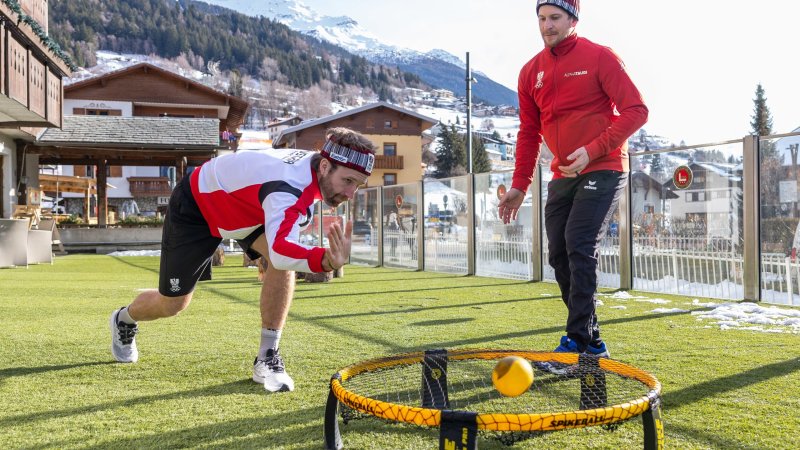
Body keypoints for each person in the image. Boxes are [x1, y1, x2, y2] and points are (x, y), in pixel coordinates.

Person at [109, 127, 376, 392]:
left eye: (358, 184)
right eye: (348, 181)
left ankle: (267, 357)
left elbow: (282, 252)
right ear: (326, 166)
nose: (351, 193)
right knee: (173, 305)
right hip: (199, 207)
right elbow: (284, 251)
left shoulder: (313, 171)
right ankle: (124, 318)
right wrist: (325, 261)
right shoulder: (288, 188)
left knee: (279, 259)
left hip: (247, 211)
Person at [498, 0, 648, 371]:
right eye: (542, 18)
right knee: (559, 254)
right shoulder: (530, 71)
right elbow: (529, 132)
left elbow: (636, 109)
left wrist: (595, 148)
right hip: (563, 174)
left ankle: (577, 341)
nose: (547, 26)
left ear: (573, 19)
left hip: (605, 167)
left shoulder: (599, 57)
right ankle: (592, 341)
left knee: (580, 244)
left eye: (555, 18)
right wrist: (519, 185)